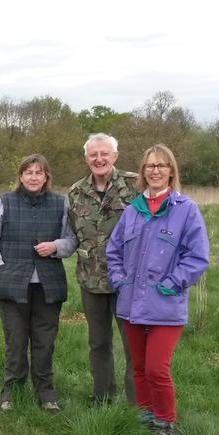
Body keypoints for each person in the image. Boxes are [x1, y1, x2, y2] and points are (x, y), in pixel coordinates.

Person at [106, 144, 209, 435]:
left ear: (171, 171)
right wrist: (119, 281)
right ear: (142, 172)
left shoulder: (185, 210)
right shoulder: (132, 210)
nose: (155, 170)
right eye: (149, 166)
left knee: (156, 369)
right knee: (138, 367)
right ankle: (146, 416)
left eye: (161, 165)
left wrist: (172, 283)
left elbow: (198, 256)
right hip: (131, 305)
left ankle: (166, 425)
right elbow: (113, 252)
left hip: (166, 304)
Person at [0, 154, 77, 412]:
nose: (34, 177)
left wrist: (55, 246)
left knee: (45, 342)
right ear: (20, 176)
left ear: (46, 177)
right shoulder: (5, 202)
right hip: (12, 286)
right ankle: (11, 391)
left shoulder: (61, 204)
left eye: (39, 172)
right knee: (16, 341)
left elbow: (71, 240)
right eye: (28, 172)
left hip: (48, 286)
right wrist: (0, 267)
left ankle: (46, 393)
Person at [68, 133, 139, 407]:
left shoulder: (134, 186)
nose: (99, 159)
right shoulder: (76, 192)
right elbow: (72, 233)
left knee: (133, 344)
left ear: (115, 157)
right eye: (93, 155)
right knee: (98, 343)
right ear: (86, 159)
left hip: (128, 283)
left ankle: (136, 402)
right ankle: (102, 396)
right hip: (91, 282)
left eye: (104, 154)